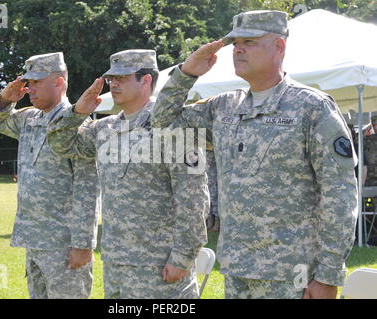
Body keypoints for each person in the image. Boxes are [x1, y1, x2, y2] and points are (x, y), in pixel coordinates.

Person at [151, 10, 358, 299]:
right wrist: (186, 74)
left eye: (249, 41)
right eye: (235, 43)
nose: (238, 49)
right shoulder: (224, 107)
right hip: (238, 269)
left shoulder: (312, 108)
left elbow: (340, 193)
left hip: (293, 275)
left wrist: (328, 273)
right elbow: (162, 122)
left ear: (279, 46)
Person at [46, 49, 209, 298]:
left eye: (122, 77)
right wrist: (78, 111)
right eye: (111, 78)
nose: (113, 83)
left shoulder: (173, 125)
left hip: (160, 266)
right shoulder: (106, 128)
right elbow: (60, 143)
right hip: (116, 264)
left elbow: (194, 199)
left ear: (145, 80)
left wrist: (183, 258)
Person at [0, 52, 99, 299]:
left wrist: (83, 244)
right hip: (34, 239)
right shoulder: (29, 119)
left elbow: (87, 189)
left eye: (36, 82)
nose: (29, 89)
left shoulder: (78, 125)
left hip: (64, 244)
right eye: (28, 82)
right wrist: (6, 98)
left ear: (59, 82)